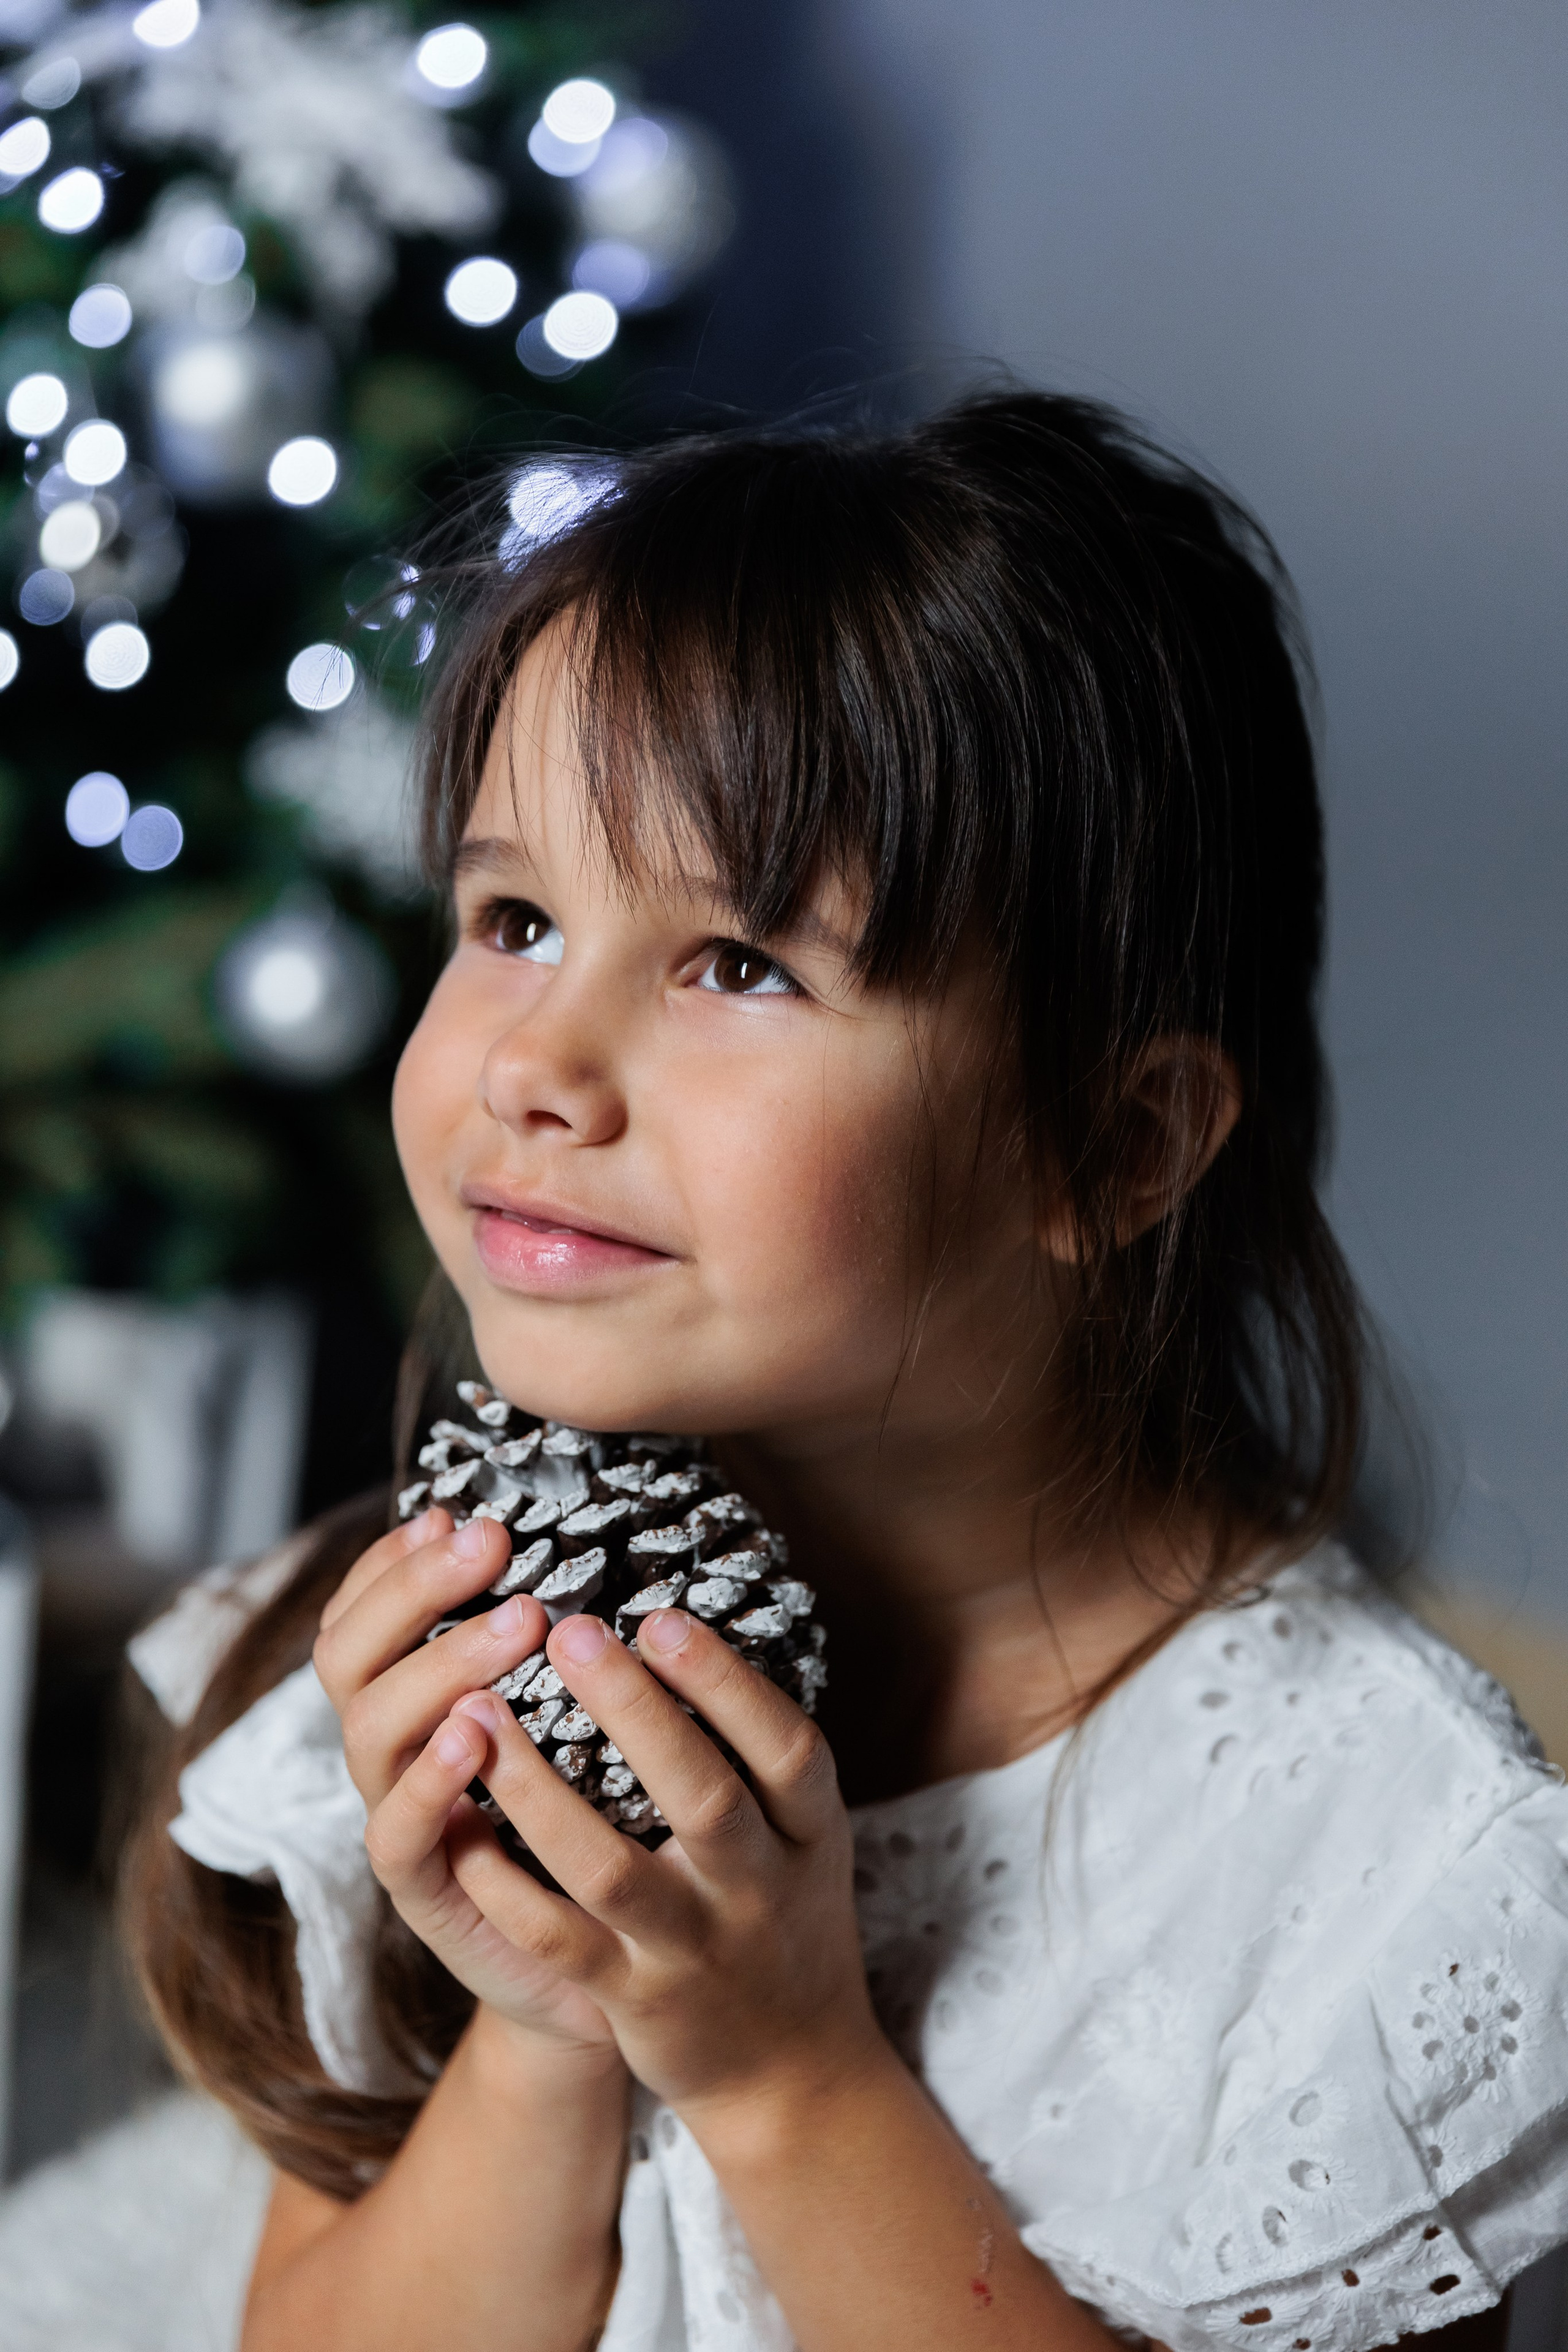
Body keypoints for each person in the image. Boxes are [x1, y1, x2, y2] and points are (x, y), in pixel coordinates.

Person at [124, 392, 1568, 2352]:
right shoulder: (487, 1626)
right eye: (515, 915)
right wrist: (555, 2012)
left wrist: (779, 2070)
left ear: (1112, 1146)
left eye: (737, 962)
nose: (537, 1065)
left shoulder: (1366, 1876)